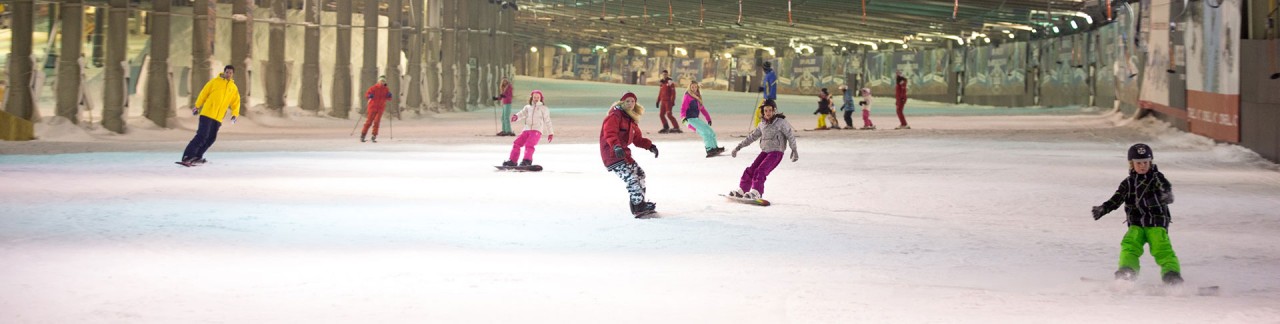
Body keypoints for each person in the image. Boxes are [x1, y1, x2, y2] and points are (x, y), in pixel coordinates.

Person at [1092, 143, 1182, 284]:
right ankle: (1127, 271)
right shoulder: (1128, 183)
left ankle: (1171, 274)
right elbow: (1117, 199)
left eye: (1146, 162)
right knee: (1130, 245)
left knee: (1161, 248)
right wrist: (1104, 208)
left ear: (1150, 162)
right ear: (1131, 164)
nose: (1142, 166)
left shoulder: (1156, 177)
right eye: (1138, 163)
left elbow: (1164, 185)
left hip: (1155, 222)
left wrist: (1166, 193)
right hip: (1136, 222)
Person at [600, 92, 660, 218]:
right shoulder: (614, 116)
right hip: (612, 154)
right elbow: (609, 133)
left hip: (624, 154)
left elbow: (637, 139)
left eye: (632, 101)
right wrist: (616, 146)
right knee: (632, 179)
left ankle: (638, 203)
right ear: (622, 102)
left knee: (640, 174)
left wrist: (650, 146)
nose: (630, 104)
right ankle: (638, 207)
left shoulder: (631, 120)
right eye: (627, 101)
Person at [729, 99, 798, 199]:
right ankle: (742, 190)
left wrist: (794, 149)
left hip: (776, 152)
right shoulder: (762, 124)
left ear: (774, 110)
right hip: (765, 151)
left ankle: (757, 192)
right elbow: (751, 137)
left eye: (770, 110)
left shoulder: (781, 122)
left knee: (761, 170)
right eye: (766, 110)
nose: (768, 113)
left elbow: (790, 135)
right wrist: (738, 147)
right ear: (763, 111)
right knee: (751, 170)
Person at [180, 65, 241, 166]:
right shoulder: (214, 82)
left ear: (232, 74)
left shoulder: (233, 88)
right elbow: (204, 93)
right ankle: (187, 156)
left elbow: (236, 102)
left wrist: (235, 114)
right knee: (202, 136)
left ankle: (197, 156)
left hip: (218, 118)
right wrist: (197, 106)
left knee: (211, 138)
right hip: (207, 114)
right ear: (224, 72)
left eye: (230, 73)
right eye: (227, 72)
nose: (228, 74)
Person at [503, 90, 554, 167]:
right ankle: (512, 161)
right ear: (532, 98)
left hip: (536, 130)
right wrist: (516, 117)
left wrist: (550, 133)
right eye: (534, 97)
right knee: (517, 143)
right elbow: (521, 114)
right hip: (526, 130)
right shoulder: (528, 107)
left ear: (541, 98)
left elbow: (548, 121)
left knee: (529, 144)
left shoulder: (543, 108)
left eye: (538, 97)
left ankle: (527, 160)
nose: (536, 98)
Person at [680, 81, 724, 157]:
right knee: (705, 133)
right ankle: (709, 149)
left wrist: (708, 118)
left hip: (696, 119)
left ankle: (714, 148)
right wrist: (684, 119)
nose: (694, 89)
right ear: (689, 87)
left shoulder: (697, 97)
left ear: (697, 88)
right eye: (692, 87)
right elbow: (683, 109)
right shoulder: (687, 96)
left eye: (695, 87)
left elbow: (702, 109)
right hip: (690, 119)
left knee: (711, 132)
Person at [361, 76, 392, 143]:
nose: (382, 82)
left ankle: (374, 136)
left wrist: (389, 96)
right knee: (369, 122)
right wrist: (370, 96)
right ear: (378, 81)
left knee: (377, 122)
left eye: (383, 81)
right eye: (381, 81)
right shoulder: (373, 88)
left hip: (380, 108)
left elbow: (389, 98)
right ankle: (363, 135)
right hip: (372, 107)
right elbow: (367, 94)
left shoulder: (386, 89)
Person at [754, 61, 778, 128]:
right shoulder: (768, 75)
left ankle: (758, 129)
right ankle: (762, 128)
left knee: (760, 113)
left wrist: (769, 98)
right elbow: (767, 87)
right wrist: (762, 88)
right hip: (766, 97)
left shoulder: (771, 75)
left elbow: (772, 88)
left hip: (768, 98)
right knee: (763, 113)